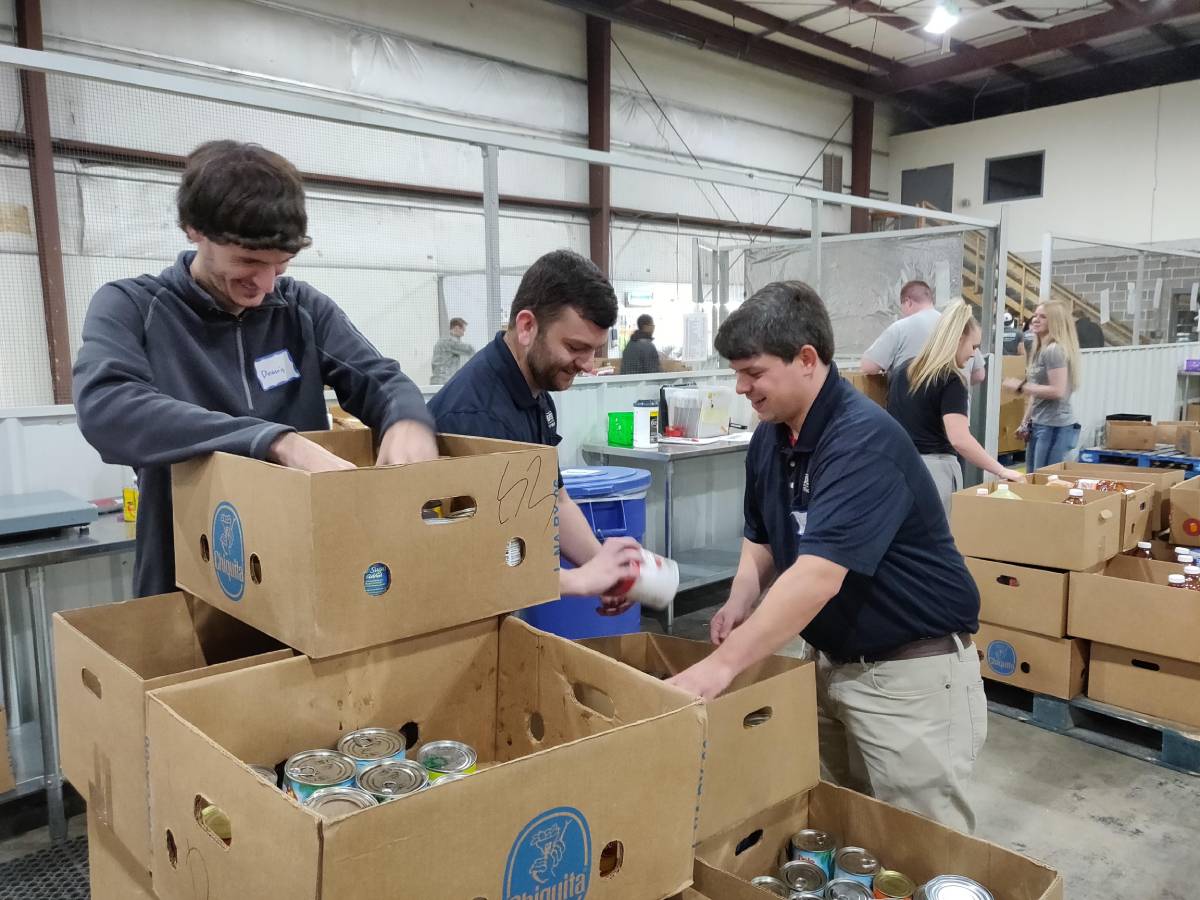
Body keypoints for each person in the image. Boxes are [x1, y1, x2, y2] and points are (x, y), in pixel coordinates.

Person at [660, 281, 985, 833]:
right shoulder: (773, 435)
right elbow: (762, 533)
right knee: (837, 833)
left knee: (918, 845)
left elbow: (815, 579)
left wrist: (720, 668)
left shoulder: (861, 440)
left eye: (753, 372)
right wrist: (741, 597)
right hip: (831, 664)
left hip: (910, 676)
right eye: (736, 372)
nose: (741, 387)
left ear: (806, 359)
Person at [72, 141, 437, 598]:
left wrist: (406, 417)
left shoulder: (301, 308)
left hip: (300, 577)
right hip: (187, 576)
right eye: (246, 261)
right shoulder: (132, 307)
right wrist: (274, 441)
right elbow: (106, 407)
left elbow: (379, 377)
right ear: (193, 229)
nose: (264, 285)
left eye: (279, 266)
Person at [428, 249, 643, 599]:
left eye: (594, 350)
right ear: (527, 327)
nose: (588, 365)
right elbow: (470, 558)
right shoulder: (474, 419)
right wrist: (579, 581)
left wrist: (606, 570)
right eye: (576, 347)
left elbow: (555, 500)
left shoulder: (535, 391)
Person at [887, 300, 1023, 514]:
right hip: (935, 473)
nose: (973, 355)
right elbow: (960, 439)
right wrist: (1001, 470)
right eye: (974, 347)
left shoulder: (903, 370)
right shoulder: (952, 380)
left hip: (898, 468)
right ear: (959, 340)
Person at [1004, 301, 1083, 469]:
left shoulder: (1054, 350)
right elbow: (1037, 394)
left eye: (1043, 317)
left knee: (1043, 480)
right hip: (1040, 424)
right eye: (1035, 315)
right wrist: (1026, 422)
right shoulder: (1041, 349)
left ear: (1055, 322)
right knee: (1033, 477)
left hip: (1054, 426)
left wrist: (1020, 386)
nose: (1035, 320)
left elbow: (1057, 391)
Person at [860, 279, 985, 385]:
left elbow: (868, 366)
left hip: (913, 410)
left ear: (908, 302)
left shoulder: (900, 328)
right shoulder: (955, 327)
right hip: (958, 409)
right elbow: (979, 374)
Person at [430, 317, 475, 384]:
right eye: (463, 330)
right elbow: (469, 349)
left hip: (439, 380)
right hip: (444, 381)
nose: (463, 334)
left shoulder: (442, 341)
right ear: (456, 328)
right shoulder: (449, 341)